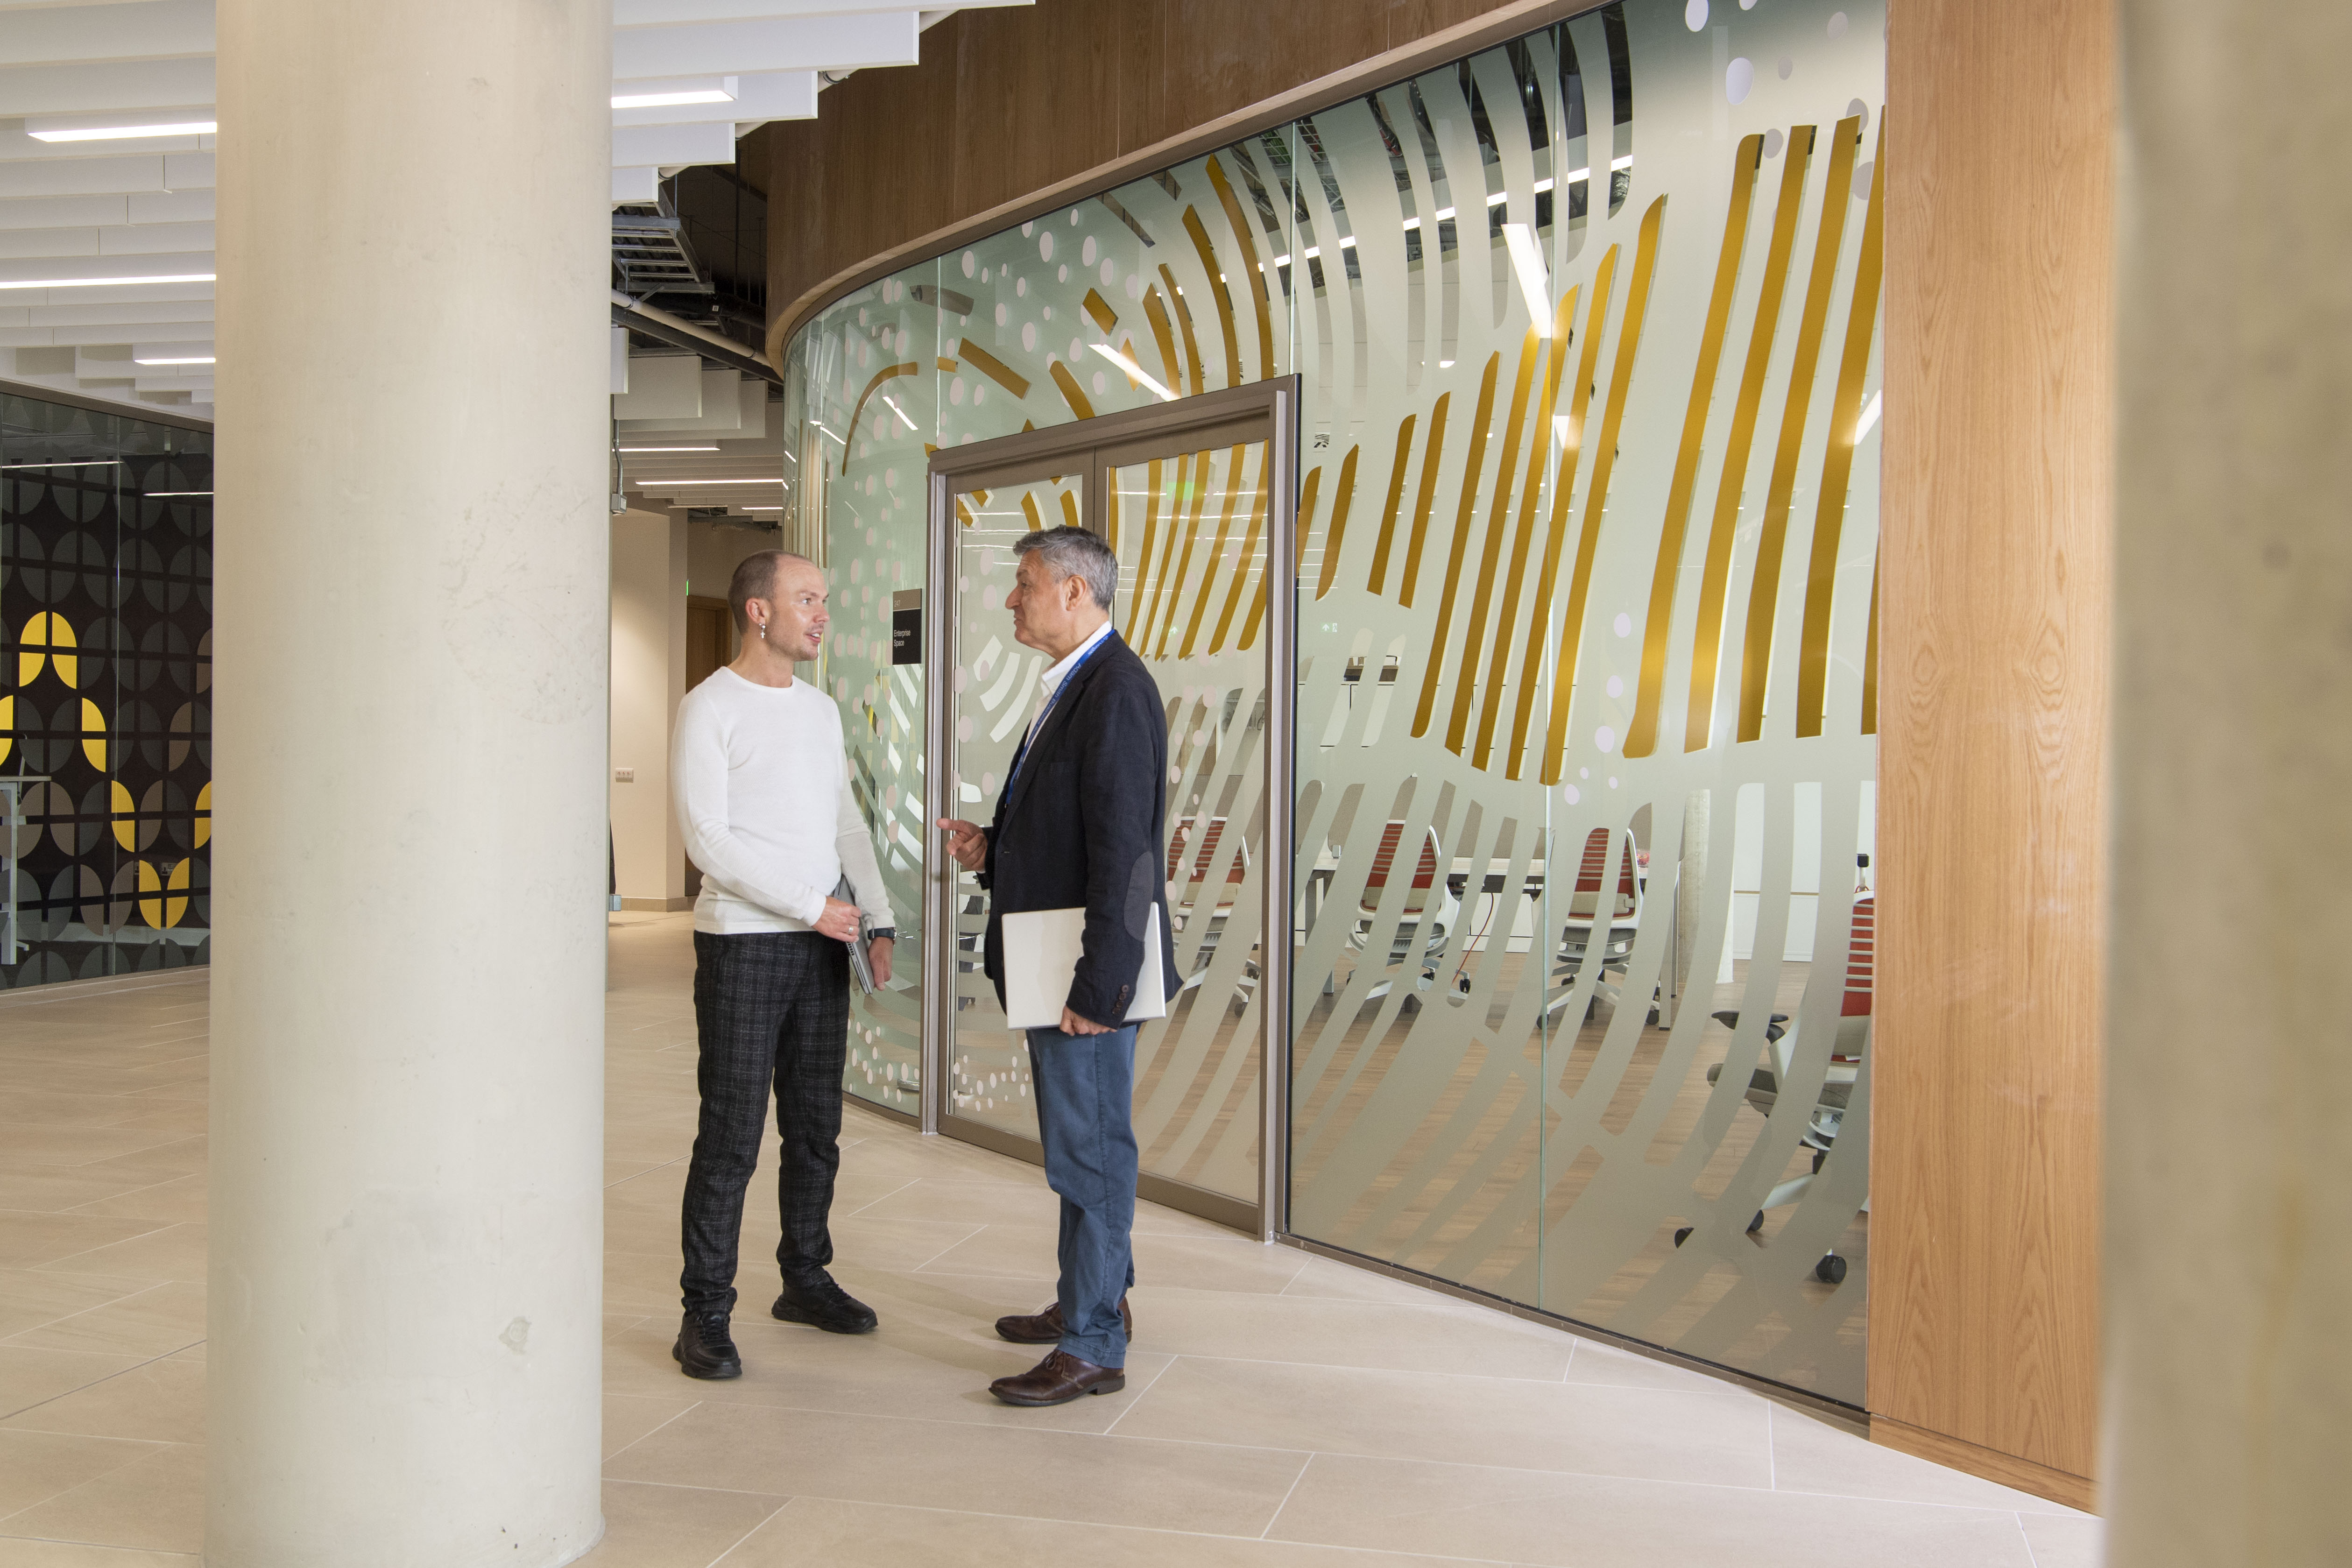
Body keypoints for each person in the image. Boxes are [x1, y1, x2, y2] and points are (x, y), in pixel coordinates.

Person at [938, 524, 1178, 1407]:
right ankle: (1093, 1295)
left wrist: (1100, 988)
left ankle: (1093, 1343)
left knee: (1091, 1151)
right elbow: (1075, 832)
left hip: (1085, 974)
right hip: (1058, 959)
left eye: (1026, 582)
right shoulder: (1076, 683)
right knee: (1080, 1147)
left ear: (1076, 591)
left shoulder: (1111, 689)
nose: (1013, 598)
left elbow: (1126, 856)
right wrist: (995, 848)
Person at [668, 549, 897, 1380]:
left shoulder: (821, 710)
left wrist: (877, 915)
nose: (823, 613)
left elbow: (846, 825)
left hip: (824, 941)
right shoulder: (709, 708)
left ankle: (804, 1278)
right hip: (742, 942)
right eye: (807, 599)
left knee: (816, 1129)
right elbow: (708, 842)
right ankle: (704, 1313)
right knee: (731, 1135)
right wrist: (812, 906)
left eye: (825, 599)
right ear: (759, 611)